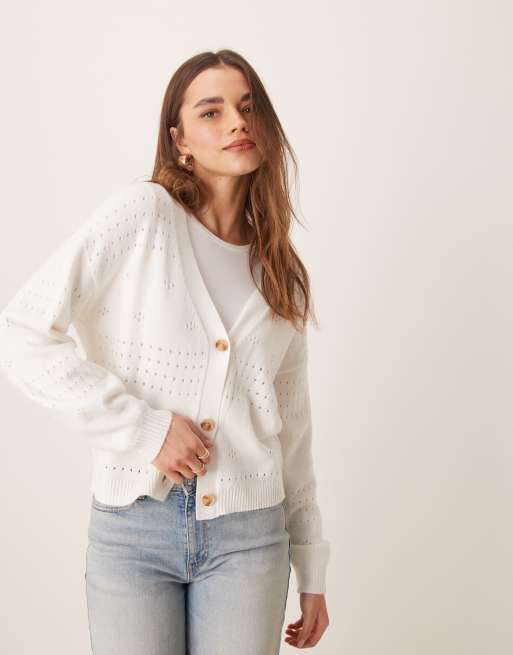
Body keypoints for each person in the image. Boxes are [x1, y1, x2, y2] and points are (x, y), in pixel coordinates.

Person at [0, 49, 330, 653]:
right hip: (134, 530)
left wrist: (310, 563)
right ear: (179, 141)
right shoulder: (143, 216)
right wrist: (144, 429)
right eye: (212, 111)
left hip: (251, 537)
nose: (237, 122)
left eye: (248, 107)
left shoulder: (283, 272)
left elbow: (294, 428)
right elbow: (22, 332)